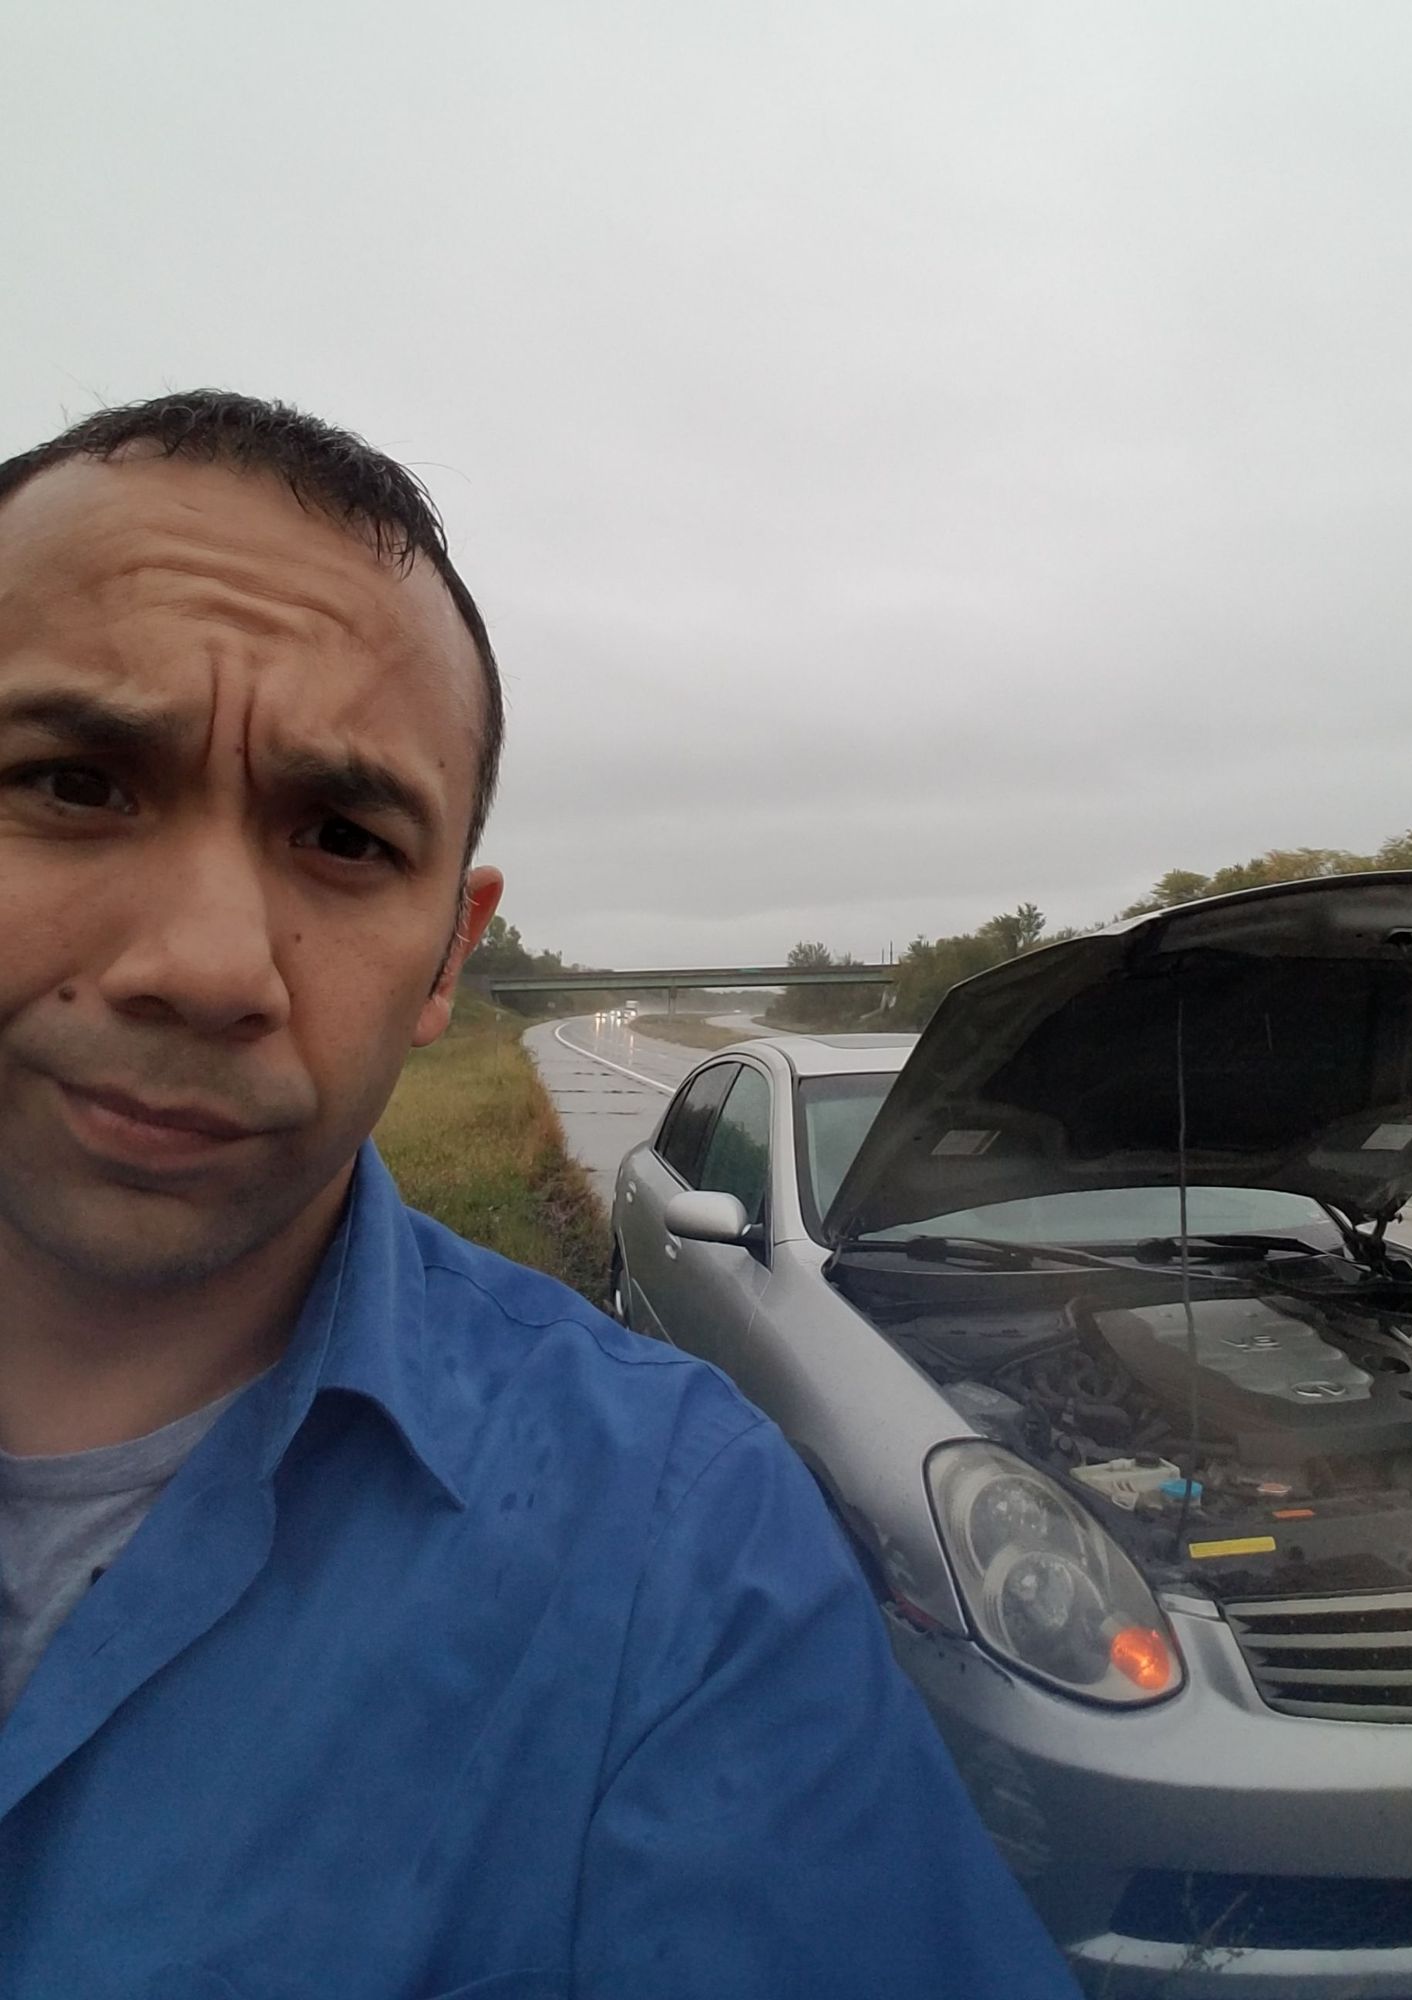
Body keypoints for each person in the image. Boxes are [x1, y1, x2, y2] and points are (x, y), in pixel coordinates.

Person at [0, 391, 1079, 2000]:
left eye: (345, 837)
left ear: (452, 951)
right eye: (76, 784)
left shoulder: (686, 1552)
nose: (209, 965)